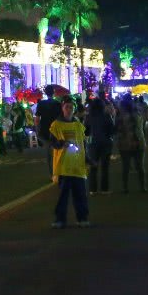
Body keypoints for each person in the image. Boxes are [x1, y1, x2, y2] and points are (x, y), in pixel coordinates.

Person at [47, 98, 91, 227]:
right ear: (62, 108)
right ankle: (60, 219)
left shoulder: (78, 125)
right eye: (67, 107)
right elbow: (53, 143)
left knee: (80, 194)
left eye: (71, 107)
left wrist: (87, 159)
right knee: (63, 196)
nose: (69, 110)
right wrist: (61, 143)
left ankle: (82, 218)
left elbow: (83, 143)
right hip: (63, 165)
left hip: (77, 164)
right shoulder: (56, 125)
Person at [116, 96, 148, 194]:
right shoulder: (138, 114)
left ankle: (125, 188)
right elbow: (140, 128)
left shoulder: (121, 117)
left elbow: (119, 130)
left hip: (125, 144)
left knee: (125, 167)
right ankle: (143, 187)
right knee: (140, 167)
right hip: (139, 143)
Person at [84, 97, 115, 194]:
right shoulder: (106, 116)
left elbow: (86, 131)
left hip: (93, 143)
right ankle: (104, 189)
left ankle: (93, 189)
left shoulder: (89, 117)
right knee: (105, 166)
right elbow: (111, 130)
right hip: (106, 143)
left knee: (93, 166)